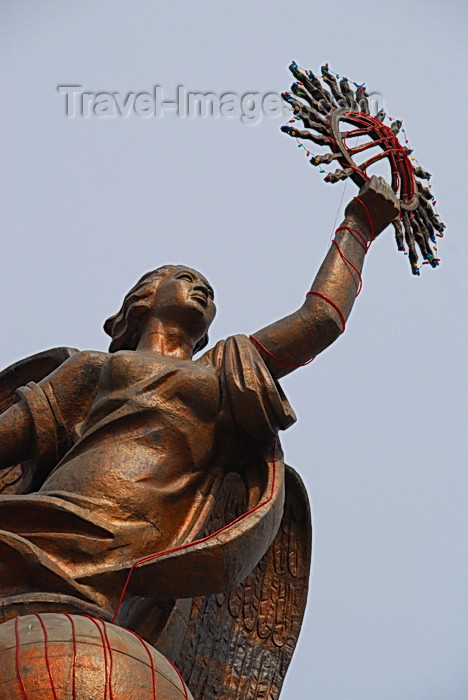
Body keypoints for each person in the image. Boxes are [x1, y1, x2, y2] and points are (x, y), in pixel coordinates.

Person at [0, 175, 399, 623]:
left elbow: (320, 319)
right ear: (144, 298)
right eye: (187, 278)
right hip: (59, 511)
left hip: (139, 538)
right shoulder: (96, 367)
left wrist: (358, 226)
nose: (203, 290)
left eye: (209, 290)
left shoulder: (225, 371)